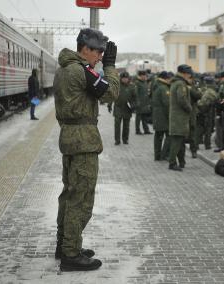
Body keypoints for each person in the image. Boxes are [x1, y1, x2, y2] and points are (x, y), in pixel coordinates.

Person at [53, 28, 119, 271]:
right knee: (80, 197)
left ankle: (65, 245)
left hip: (70, 138)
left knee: (69, 194)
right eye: (99, 52)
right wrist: (111, 67)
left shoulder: (64, 69)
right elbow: (111, 93)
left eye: (104, 53)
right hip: (83, 141)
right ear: (85, 49)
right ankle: (71, 254)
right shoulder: (80, 70)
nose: (101, 56)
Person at [168, 64, 193, 171]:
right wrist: (189, 108)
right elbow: (182, 99)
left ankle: (181, 161)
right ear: (184, 73)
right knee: (177, 141)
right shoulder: (180, 83)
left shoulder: (175, 82)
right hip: (180, 117)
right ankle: (172, 163)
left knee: (180, 140)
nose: (189, 75)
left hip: (176, 116)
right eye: (188, 73)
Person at [108, 71, 135, 145]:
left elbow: (135, 97)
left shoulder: (131, 86)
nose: (125, 80)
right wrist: (109, 105)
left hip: (127, 109)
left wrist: (134, 105)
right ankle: (117, 140)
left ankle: (125, 139)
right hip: (118, 108)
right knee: (117, 125)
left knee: (126, 126)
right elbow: (112, 96)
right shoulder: (117, 86)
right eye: (123, 78)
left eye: (126, 78)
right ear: (121, 78)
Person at [152, 71, 172, 161]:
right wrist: (170, 116)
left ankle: (157, 155)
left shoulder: (156, 85)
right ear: (165, 78)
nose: (170, 80)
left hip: (157, 115)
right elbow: (167, 104)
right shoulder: (164, 88)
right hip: (163, 116)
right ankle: (164, 155)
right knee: (169, 136)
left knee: (158, 137)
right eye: (168, 78)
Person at [135, 70, 152, 135]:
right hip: (139, 103)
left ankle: (146, 130)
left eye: (145, 75)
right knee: (138, 118)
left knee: (144, 117)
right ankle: (137, 130)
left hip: (145, 103)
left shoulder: (145, 82)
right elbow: (136, 93)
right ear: (140, 76)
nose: (145, 77)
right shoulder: (137, 83)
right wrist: (137, 102)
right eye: (143, 75)